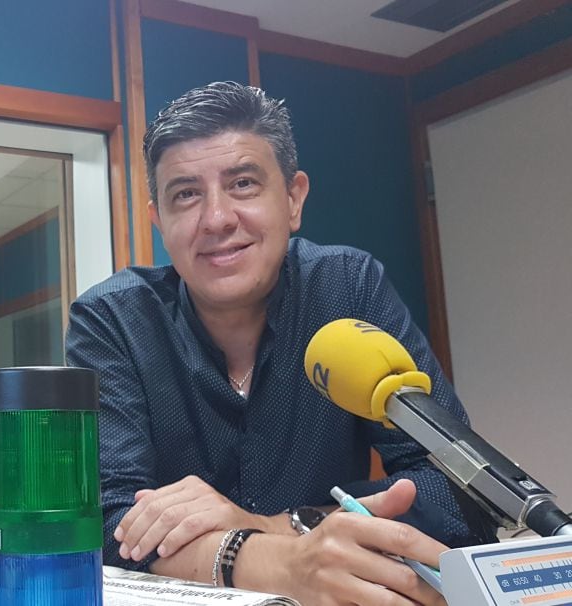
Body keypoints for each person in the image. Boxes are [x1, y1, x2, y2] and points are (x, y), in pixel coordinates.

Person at [66, 81, 496, 605]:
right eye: (185, 194)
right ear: (160, 221)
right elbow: (107, 523)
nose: (218, 218)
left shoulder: (347, 286)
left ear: (293, 200)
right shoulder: (112, 318)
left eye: (243, 183)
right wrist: (276, 560)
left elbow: (460, 486)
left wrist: (275, 524)